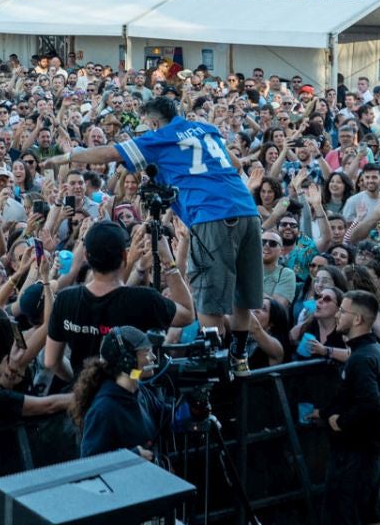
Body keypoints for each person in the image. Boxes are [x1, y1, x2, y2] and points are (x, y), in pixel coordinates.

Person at [53, 94, 263, 374]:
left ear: (153, 122)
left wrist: (68, 156)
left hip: (212, 214)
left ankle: (214, 365)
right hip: (247, 211)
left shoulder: (160, 137)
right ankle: (239, 358)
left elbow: (110, 153)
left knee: (209, 297)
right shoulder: (206, 128)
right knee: (242, 295)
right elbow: (235, 164)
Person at [42, 220, 189, 381]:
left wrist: (80, 383)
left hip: (82, 400)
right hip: (128, 395)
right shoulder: (144, 299)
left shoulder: (65, 300)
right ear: (125, 255)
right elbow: (187, 314)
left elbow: (51, 362)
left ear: (86, 256)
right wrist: (168, 259)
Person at [315, 291, 380, 525]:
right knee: (370, 511)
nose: (337, 314)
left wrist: (340, 421)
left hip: (355, 452)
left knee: (346, 521)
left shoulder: (361, 358)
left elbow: (371, 403)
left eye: (342, 311)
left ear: (357, 319)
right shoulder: (374, 351)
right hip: (371, 448)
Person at [71, 326, 166, 458]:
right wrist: (131, 456)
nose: (153, 357)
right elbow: (89, 463)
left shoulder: (139, 391)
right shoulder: (103, 409)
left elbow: (164, 416)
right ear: (127, 360)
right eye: (147, 352)